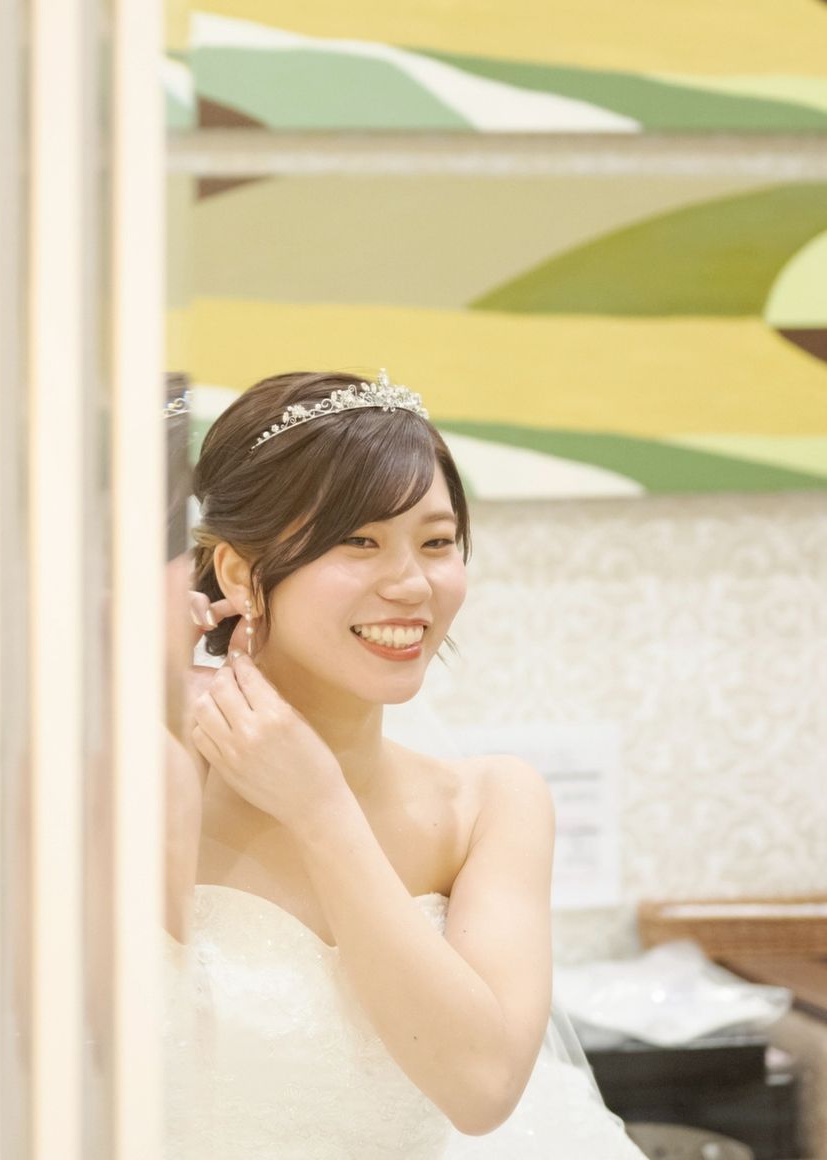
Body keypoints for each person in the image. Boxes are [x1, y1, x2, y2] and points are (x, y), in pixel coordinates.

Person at [162, 370, 645, 1158]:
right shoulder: (154, 782)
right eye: (360, 541)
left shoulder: (492, 805)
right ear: (241, 573)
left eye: (437, 542)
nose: (413, 584)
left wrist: (321, 810)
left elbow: (482, 1090)